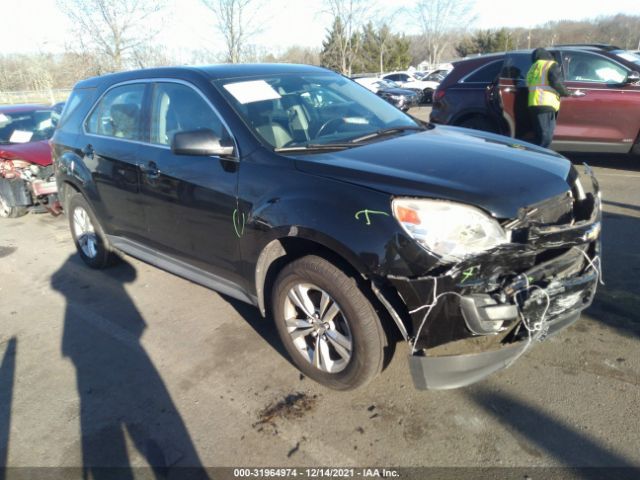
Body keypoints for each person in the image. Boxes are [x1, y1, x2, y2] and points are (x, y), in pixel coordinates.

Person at [525, 48, 575, 148]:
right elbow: (556, 82)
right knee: (546, 136)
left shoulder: (533, 67)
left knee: (540, 134)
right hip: (546, 102)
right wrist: (566, 93)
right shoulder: (551, 65)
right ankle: (539, 157)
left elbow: (528, 83)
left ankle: (536, 154)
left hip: (533, 103)